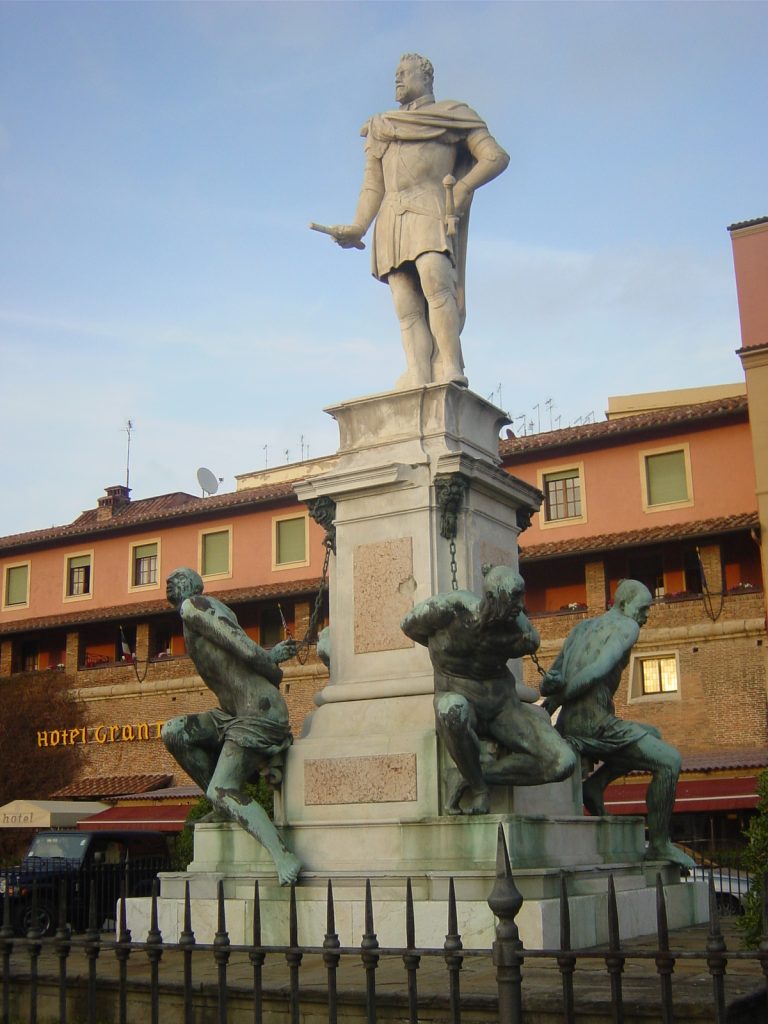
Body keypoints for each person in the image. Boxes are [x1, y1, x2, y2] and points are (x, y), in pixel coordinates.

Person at [319, 53, 509, 390]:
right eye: (395, 74)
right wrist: (358, 227)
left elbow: (495, 157)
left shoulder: (452, 116)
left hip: (429, 205)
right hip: (392, 216)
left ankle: (449, 363)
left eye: (404, 73)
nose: (397, 79)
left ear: (426, 78)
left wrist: (464, 186)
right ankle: (418, 371)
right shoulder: (380, 126)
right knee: (405, 302)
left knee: (436, 280)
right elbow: (372, 185)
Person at [540, 579, 694, 869]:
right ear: (623, 605)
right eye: (644, 608)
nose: (647, 615)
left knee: (653, 734)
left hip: (569, 724)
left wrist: (554, 699)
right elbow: (599, 669)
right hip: (594, 724)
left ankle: (596, 786)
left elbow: (549, 680)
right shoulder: (627, 627)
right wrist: (559, 697)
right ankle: (660, 845)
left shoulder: (580, 629)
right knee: (670, 762)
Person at [161, 568, 301, 885]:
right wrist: (273, 657)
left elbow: (245, 649)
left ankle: (283, 855)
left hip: (256, 711)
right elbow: (243, 652)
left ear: (196, 584)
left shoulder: (194, 605)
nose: (170, 580)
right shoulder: (199, 612)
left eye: (179, 576)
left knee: (222, 789)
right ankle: (224, 806)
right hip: (231, 713)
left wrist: (270, 666)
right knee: (175, 731)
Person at [401, 566, 577, 814]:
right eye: (515, 596)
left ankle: (472, 775)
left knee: (563, 763)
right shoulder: (448, 611)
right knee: (452, 710)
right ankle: (480, 789)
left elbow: (532, 639)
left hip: (502, 707)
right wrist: (443, 654)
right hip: (457, 694)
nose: (521, 604)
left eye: (522, 596)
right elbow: (408, 626)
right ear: (492, 598)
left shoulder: (517, 633)